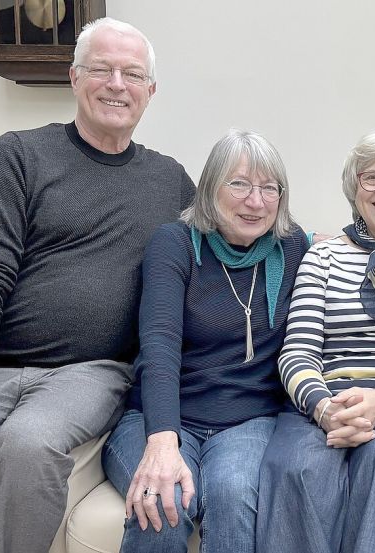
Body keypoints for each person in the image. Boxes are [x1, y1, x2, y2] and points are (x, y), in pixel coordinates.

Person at [0, 17, 195, 553]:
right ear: (74, 77)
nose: (117, 85)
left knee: (27, 443)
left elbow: (232, 233)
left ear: (150, 91)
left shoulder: (169, 180)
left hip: (90, 371)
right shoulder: (18, 155)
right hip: (2, 363)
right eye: (101, 70)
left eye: (133, 74)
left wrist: (322, 240)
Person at [100, 130, 307, 552]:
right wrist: (162, 440)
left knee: (234, 497)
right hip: (162, 416)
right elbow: (159, 345)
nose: (256, 201)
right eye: (240, 184)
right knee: (162, 503)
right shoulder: (175, 243)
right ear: (211, 187)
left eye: (270, 188)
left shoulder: (292, 247)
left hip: (249, 420)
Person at [257, 128, 375, 553]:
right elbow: (297, 351)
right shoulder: (322, 257)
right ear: (354, 187)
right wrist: (324, 408)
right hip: (323, 399)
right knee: (298, 469)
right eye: (372, 178)